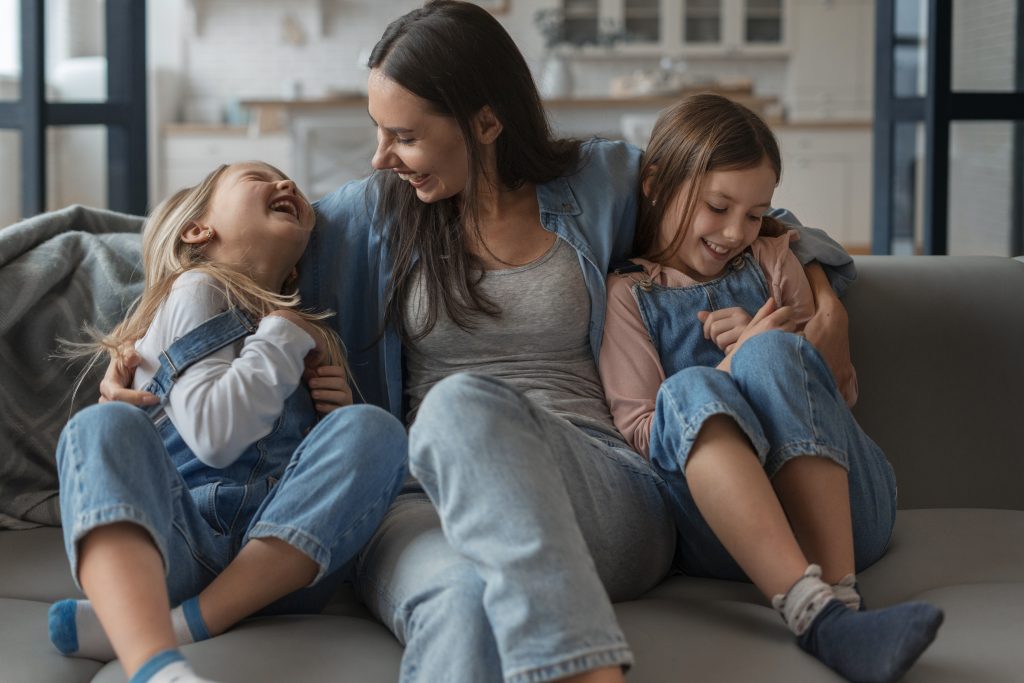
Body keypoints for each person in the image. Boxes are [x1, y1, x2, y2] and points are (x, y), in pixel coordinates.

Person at [102, 3, 861, 681]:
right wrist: (143, 349)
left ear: (486, 123)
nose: (380, 156)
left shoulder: (599, 182)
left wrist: (823, 296)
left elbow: (756, 216)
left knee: (459, 406)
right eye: (377, 131)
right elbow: (228, 262)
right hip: (416, 504)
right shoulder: (371, 217)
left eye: (404, 135)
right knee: (460, 601)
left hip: (599, 486)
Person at [599, 94, 943, 683]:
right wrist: (726, 370)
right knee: (686, 390)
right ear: (656, 183)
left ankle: (839, 604)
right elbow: (639, 433)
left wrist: (769, 351)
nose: (734, 232)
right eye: (717, 206)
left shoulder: (775, 259)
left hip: (851, 513)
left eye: (755, 214)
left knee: (772, 350)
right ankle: (825, 620)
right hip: (725, 535)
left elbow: (832, 396)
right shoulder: (627, 294)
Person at [50, 161, 408, 683]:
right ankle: (157, 664)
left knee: (372, 430)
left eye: (288, 180)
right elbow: (216, 436)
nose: (286, 184)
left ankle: (172, 626)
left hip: (284, 565)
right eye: (258, 177)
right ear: (198, 230)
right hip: (183, 546)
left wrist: (333, 422)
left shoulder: (299, 337)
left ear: (293, 273)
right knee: (98, 429)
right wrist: (285, 333)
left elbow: (314, 475)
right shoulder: (197, 287)